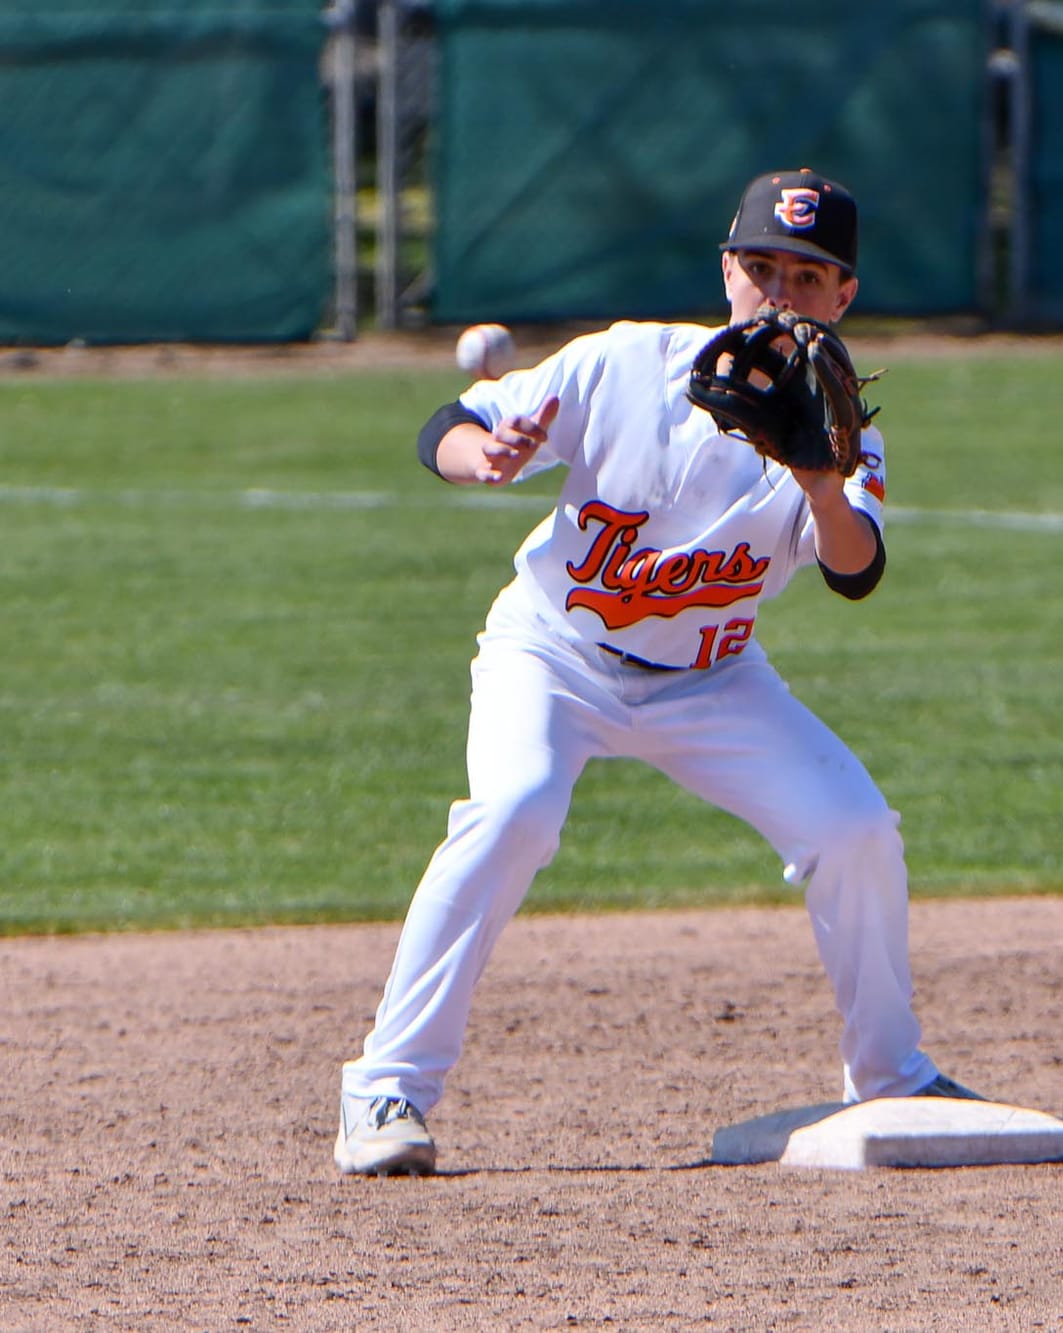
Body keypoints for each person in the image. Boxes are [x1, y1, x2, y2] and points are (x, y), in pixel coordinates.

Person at [335, 168, 982, 1177]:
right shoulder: (625, 364)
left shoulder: (844, 430)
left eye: (806, 277)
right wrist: (485, 459)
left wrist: (820, 482)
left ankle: (890, 1073)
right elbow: (446, 424)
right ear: (726, 270)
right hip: (555, 652)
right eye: (759, 267)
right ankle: (386, 1086)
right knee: (513, 811)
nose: (778, 293)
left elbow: (855, 570)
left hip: (713, 679)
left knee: (854, 829)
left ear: (843, 295)